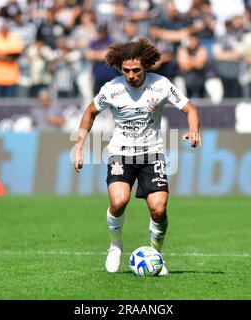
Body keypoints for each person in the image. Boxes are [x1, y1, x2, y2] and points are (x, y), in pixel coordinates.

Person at [73, 38, 202, 275]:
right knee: (119, 201)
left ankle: (156, 253)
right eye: (126, 71)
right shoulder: (112, 89)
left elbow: (190, 109)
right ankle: (115, 245)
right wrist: (79, 145)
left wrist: (193, 129)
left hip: (152, 153)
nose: (131, 75)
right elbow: (90, 112)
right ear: (120, 69)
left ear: (146, 67)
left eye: (136, 70)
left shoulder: (161, 85)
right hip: (121, 153)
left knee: (159, 209)